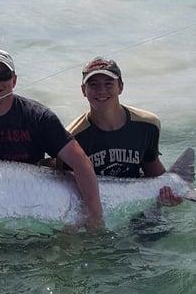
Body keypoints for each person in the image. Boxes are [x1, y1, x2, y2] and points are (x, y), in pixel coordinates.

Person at [0, 48, 104, 228]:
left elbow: (80, 162)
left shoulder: (39, 117)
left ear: (14, 80)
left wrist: (95, 215)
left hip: (34, 201)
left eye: (4, 75)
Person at [66, 56, 182, 206]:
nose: (101, 91)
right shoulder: (72, 137)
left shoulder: (148, 124)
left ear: (120, 86)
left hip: (137, 200)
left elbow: (153, 170)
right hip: (100, 205)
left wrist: (169, 193)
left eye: (109, 84)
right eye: (93, 85)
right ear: (83, 90)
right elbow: (68, 188)